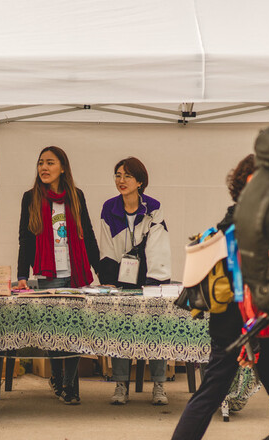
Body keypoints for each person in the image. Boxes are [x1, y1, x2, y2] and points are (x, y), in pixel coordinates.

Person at [171, 154, 269, 440]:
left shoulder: (228, 223)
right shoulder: (256, 225)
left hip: (229, 325)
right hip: (258, 325)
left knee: (209, 394)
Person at [16, 146, 99, 405]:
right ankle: (58, 376)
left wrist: (100, 271)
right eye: (41, 163)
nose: (44, 168)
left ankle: (70, 386)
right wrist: (21, 274)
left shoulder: (76, 196)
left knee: (73, 332)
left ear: (62, 167)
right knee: (53, 333)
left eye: (50, 163)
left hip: (74, 275)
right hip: (47, 276)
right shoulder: (30, 197)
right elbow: (25, 239)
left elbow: (88, 234)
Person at [97, 156, 171, 406]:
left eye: (127, 176)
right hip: (120, 278)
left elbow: (159, 246)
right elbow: (106, 245)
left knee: (156, 330)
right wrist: (108, 280)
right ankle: (121, 385)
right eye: (118, 175)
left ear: (140, 181)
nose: (121, 180)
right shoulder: (109, 208)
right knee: (121, 330)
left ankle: (159, 385)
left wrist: (154, 283)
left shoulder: (153, 208)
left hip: (150, 278)